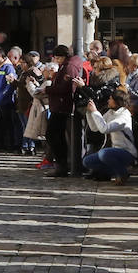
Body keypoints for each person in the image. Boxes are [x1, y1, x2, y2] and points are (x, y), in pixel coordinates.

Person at [46, 44, 88, 176]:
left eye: (57, 58)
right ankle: (62, 164)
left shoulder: (69, 66)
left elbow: (66, 88)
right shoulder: (67, 65)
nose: (56, 61)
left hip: (62, 106)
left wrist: (47, 89)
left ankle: (62, 165)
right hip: (60, 105)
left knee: (54, 135)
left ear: (62, 57)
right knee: (56, 135)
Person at [81, 87, 136, 183]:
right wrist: (89, 113)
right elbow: (95, 128)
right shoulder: (111, 112)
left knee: (104, 154)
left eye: (110, 99)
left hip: (127, 152)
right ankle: (114, 172)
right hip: (113, 151)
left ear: (117, 102)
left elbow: (104, 129)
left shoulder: (124, 115)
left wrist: (95, 111)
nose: (108, 101)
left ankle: (123, 173)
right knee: (87, 161)